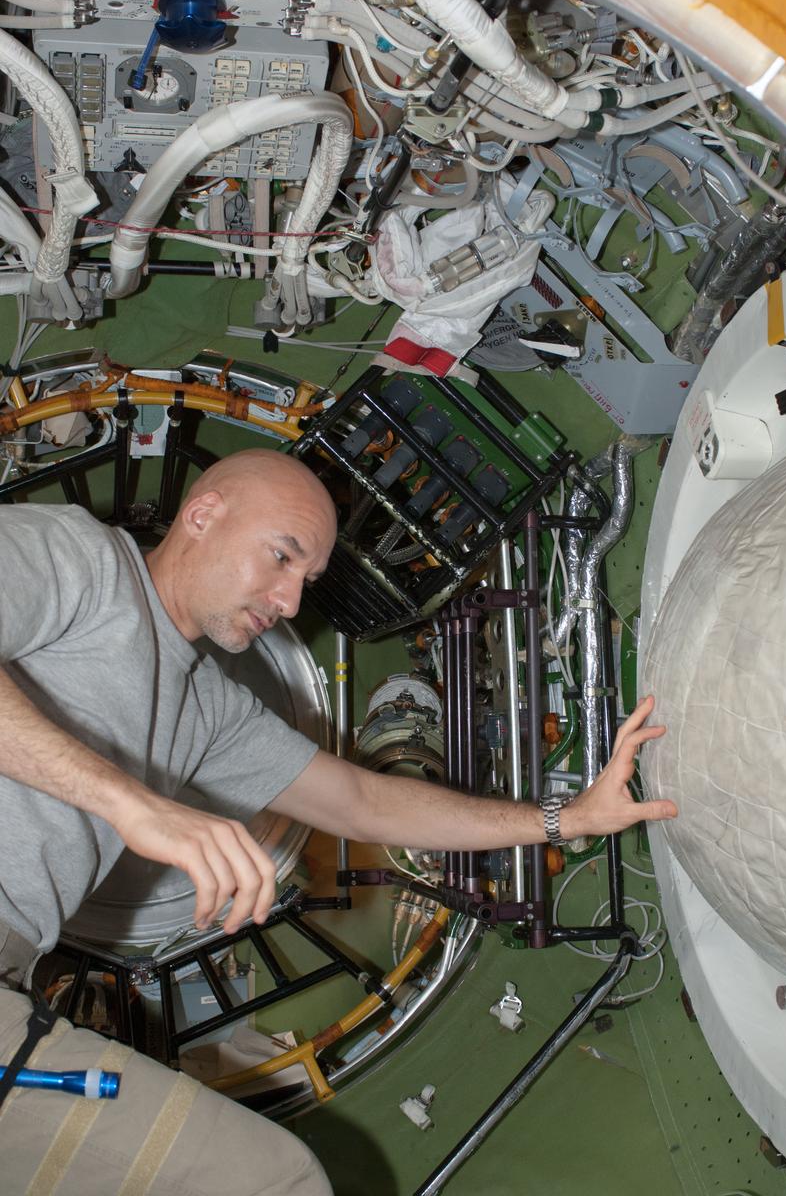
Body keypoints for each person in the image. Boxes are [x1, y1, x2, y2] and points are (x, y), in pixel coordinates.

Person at [0, 447, 676, 1194]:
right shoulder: (83, 559)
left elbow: (363, 802)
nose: (290, 601)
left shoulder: (203, 709)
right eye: (281, 556)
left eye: (307, 580)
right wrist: (133, 804)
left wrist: (566, 815)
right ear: (203, 514)